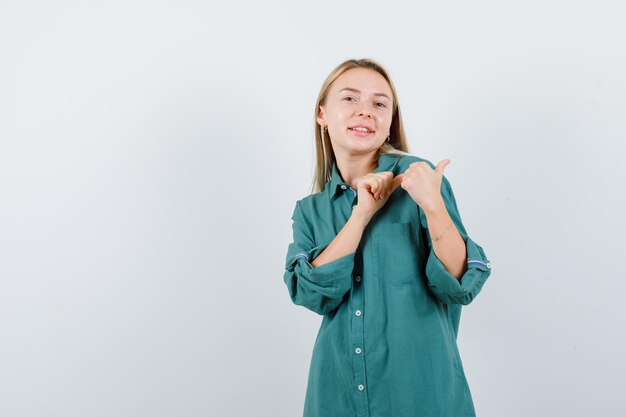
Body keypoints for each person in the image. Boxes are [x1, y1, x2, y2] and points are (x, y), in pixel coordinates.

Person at [283, 58, 493, 417]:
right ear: (322, 114)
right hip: (336, 397)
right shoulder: (310, 210)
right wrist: (362, 214)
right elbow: (311, 294)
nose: (366, 111)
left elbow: (460, 286)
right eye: (350, 99)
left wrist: (432, 205)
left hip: (422, 395)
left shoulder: (420, 180)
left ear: (390, 121)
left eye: (379, 103)